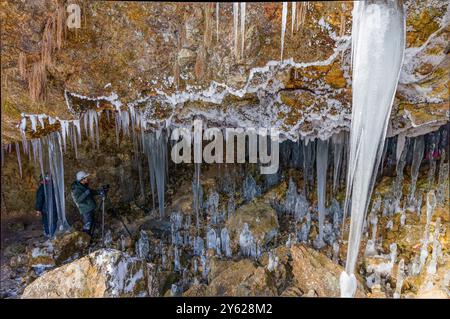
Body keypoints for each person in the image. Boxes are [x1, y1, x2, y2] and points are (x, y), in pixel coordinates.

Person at [71, 171, 101, 236]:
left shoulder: (83, 185)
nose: (87, 179)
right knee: (87, 225)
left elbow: (90, 192)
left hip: (89, 207)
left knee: (92, 222)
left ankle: (90, 237)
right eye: (85, 178)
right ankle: (85, 239)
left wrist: (99, 192)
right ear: (82, 179)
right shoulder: (76, 189)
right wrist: (86, 193)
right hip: (85, 209)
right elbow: (78, 200)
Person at [35, 173, 58, 238]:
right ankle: (53, 234)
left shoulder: (42, 188)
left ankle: (49, 234)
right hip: (54, 208)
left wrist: (38, 209)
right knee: (53, 221)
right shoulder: (54, 187)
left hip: (45, 209)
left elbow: (39, 199)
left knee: (46, 221)